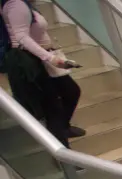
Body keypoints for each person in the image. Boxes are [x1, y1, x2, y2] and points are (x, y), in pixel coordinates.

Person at [3, 0, 84, 145]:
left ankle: (62, 128)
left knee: (70, 92)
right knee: (52, 108)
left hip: (42, 58)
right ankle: (62, 154)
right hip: (30, 61)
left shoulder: (25, 4)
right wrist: (51, 58)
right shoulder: (16, 4)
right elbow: (22, 38)